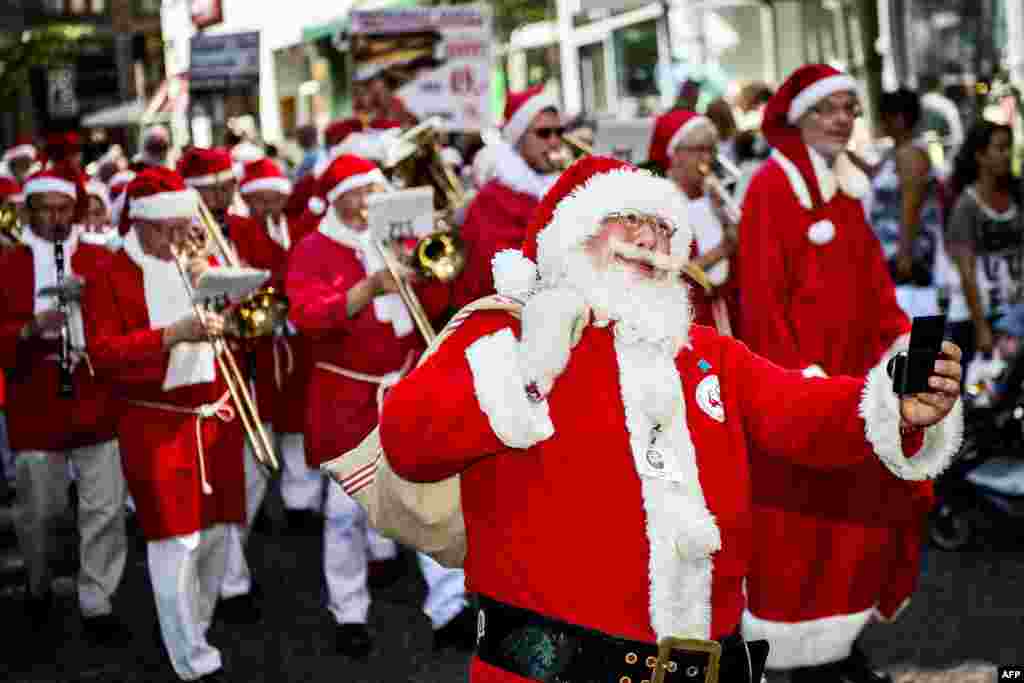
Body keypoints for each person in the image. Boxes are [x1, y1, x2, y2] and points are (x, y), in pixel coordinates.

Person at [377, 155, 963, 683]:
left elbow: (804, 412)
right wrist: (530, 366)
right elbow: (409, 441)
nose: (650, 238)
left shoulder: (708, 353)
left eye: (663, 226)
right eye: (627, 218)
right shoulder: (500, 333)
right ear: (570, 235)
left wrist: (895, 404)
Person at [736, 64, 945, 681]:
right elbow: (762, 301)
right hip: (804, 396)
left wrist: (906, 346)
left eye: (852, 108)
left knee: (856, 529)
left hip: (860, 394)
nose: (844, 119)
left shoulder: (844, 192)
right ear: (799, 117)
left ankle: (838, 645)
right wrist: (799, 386)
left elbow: (878, 292)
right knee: (800, 532)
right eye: (830, 108)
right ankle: (798, 658)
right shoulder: (771, 189)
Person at [286, 154, 475, 658]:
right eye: (361, 191)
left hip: (406, 386)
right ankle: (348, 610)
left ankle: (449, 606)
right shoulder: (313, 248)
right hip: (348, 395)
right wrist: (369, 286)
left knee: (430, 499)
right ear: (338, 199)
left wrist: (424, 272)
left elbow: (434, 311)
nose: (371, 200)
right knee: (347, 514)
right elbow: (308, 317)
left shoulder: (395, 239)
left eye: (376, 189)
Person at [83, 167, 246, 683]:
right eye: (169, 229)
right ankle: (191, 658)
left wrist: (217, 288)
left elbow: (241, 323)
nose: (180, 238)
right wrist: (171, 334)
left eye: (184, 226)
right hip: (154, 423)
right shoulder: (109, 274)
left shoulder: (195, 259)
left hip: (213, 415)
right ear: (142, 224)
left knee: (219, 533)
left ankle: (191, 630)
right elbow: (103, 354)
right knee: (175, 542)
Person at [0, 163, 126, 644]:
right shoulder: (8, 263)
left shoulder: (98, 258)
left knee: (105, 506)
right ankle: (38, 582)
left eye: (64, 209)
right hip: (35, 395)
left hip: (92, 392)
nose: (56, 218)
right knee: (41, 507)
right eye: (46, 210)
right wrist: (31, 328)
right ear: (28, 212)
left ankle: (98, 597)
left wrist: (90, 312)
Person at [232, 158, 321, 532]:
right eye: (259, 201)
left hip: (298, 342)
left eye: (274, 199)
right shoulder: (240, 235)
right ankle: (265, 499)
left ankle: (301, 499)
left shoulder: (298, 227)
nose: (267, 208)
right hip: (263, 344)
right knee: (267, 417)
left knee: (299, 421)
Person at [455, 86, 563, 309]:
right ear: (518, 136)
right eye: (544, 133)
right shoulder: (491, 200)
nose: (554, 142)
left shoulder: (563, 188)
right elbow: (499, 278)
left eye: (558, 132)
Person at [649, 109, 739, 332]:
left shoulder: (711, 197)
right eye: (699, 150)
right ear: (675, 154)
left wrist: (726, 220)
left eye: (711, 150)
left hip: (721, 318)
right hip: (685, 327)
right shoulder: (657, 206)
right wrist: (722, 250)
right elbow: (665, 279)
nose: (707, 158)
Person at [945, 120, 1024, 371]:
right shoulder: (966, 206)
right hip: (977, 317)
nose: (1006, 154)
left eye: (1008, 148)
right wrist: (981, 328)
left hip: (1014, 313)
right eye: (999, 148)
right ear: (980, 155)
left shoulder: (1016, 196)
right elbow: (966, 273)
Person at [866, 88, 948, 319]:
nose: (881, 122)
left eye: (885, 116)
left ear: (899, 119)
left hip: (906, 258)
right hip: (892, 256)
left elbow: (910, 206)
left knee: (909, 322)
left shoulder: (910, 154)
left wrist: (905, 256)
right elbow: (873, 175)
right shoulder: (896, 152)